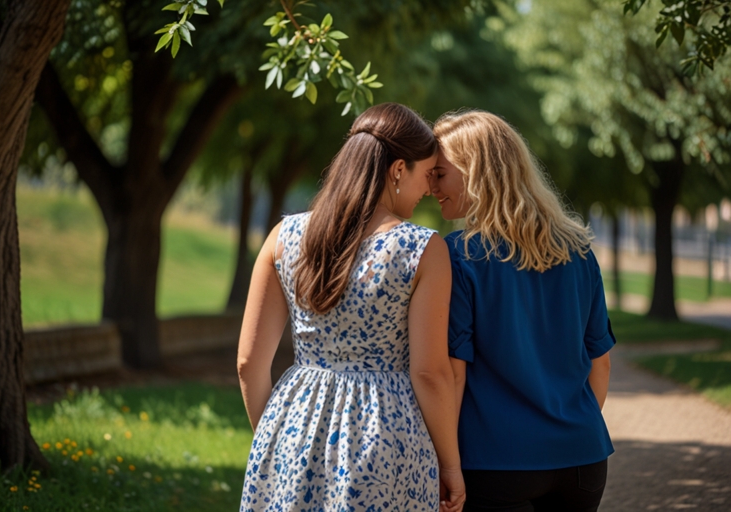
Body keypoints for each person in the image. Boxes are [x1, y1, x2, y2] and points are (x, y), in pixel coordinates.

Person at [237, 102, 466, 511]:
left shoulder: (282, 237)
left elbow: (248, 363)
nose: (430, 189)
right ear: (398, 170)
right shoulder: (421, 248)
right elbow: (430, 372)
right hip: (386, 439)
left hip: (294, 428)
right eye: (427, 174)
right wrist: (451, 466)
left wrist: (274, 435)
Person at [430, 110, 615, 512]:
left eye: (440, 173)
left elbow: (452, 374)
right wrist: (563, 435)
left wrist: (448, 465)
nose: (431, 186)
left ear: (472, 172)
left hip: (494, 464)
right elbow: (600, 363)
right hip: (582, 457)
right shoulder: (579, 250)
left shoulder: (457, 256)